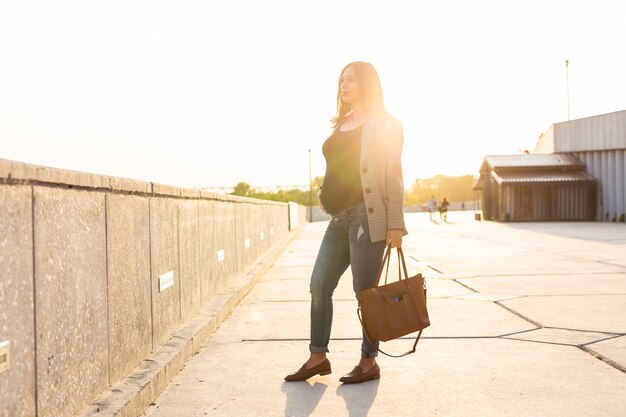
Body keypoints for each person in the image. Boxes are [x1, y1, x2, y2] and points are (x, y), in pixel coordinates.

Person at [285, 62, 406, 384]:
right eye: (342, 79)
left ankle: (368, 361)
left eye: (352, 79)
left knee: (364, 292)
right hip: (338, 219)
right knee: (319, 285)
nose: (344, 84)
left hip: (367, 216)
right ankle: (318, 357)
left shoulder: (386, 125)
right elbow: (339, 167)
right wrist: (323, 193)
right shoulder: (343, 123)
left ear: (368, 84)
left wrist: (396, 225)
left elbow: (393, 176)